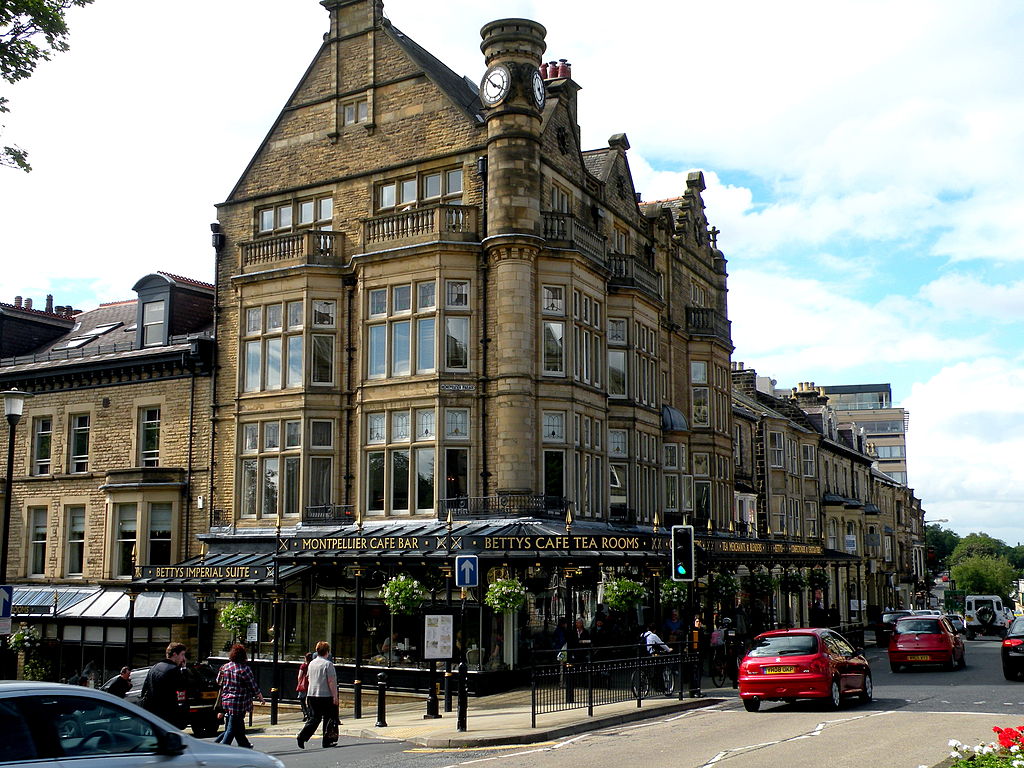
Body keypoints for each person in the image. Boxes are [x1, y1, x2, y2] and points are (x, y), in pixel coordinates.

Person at [215, 644, 264, 748]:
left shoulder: (224, 667)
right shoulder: (244, 669)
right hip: (239, 702)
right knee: (231, 728)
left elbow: (218, 681)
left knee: (237, 725)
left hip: (226, 701)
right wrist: (260, 696)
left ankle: (244, 744)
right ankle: (222, 748)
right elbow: (252, 685)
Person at [296, 641, 339, 749]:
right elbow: (331, 682)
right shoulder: (328, 664)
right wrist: (335, 696)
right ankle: (327, 741)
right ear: (327, 652)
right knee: (328, 718)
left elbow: (309, 678)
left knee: (315, 718)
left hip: (312, 695)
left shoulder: (311, 663)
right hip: (325, 695)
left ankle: (302, 736)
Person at [141, 642, 188, 728]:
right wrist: (184, 669)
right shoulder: (174, 670)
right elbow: (183, 687)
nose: (183, 658)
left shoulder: (154, 668)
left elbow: (144, 690)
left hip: (152, 713)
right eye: (182, 655)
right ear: (174, 654)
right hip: (168, 715)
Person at [296, 652, 314, 722]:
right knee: (309, 701)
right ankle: (310, 714)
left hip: (304, 685)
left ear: (305, 658)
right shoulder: (312, 665)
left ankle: (306, 713)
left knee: (302, 700)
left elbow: (299, 676)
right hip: (311, 684)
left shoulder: (303, 666)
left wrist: (299, 683)